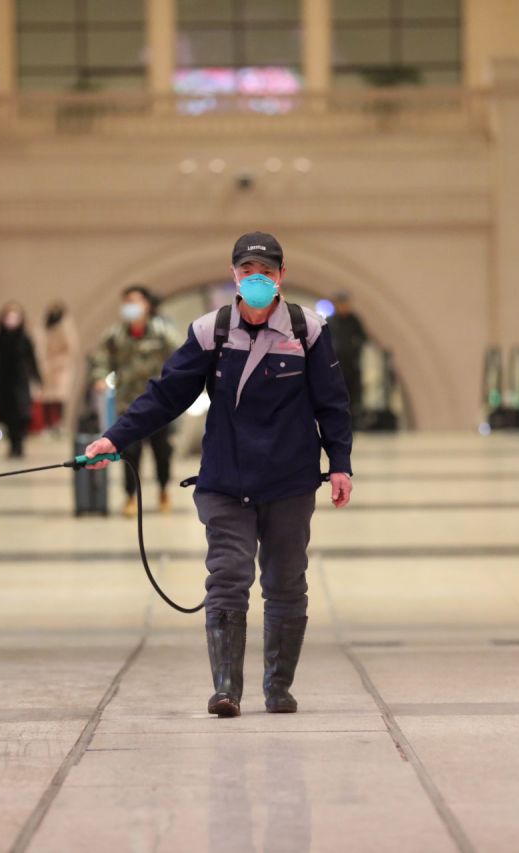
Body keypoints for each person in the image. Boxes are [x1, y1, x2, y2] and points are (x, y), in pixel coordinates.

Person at [85, 232, 354, 718]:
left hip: (290, 480)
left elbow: (332, 403)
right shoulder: (212, 331)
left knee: (286, 582)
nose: (257, 280)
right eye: (248, 272)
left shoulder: (307, 330)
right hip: (226, 480)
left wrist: (340, 464)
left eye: (266, 273)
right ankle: (226, 687)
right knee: (228, 577)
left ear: (281, 276)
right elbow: (167, 394)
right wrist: (115, 437)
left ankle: (278, 686)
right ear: (234, 275)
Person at [91, 285, 183, 517]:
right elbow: (100, 359)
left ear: (147, 305)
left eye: (135, 301)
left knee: (162, 452)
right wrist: (100, 377)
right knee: (129, 453)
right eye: (126, 302)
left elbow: (182, 358)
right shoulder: (115, 335)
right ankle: (130, 496)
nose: (130, 307)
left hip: (158, 406)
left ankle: (163, 490)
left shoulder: (162, 332)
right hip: (128, 405)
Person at [0, 302, 43, 459]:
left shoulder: (25, 339)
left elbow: (32, 360)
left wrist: (37, 379)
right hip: (3, 382)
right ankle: (12, 444)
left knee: (21, 414)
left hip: (20, 381)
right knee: (6, 415)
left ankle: (18, 444)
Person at [328, 292, 369, 426]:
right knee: (338, 393)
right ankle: (338, 422)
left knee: (353, 394)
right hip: (337, 365)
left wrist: (355, 346)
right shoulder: (331, 321)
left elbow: (363, 338)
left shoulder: (354, 320)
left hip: (352, 364)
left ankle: (354, 423)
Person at [40, 302, 79, 433]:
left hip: (61, 367)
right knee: (46, 397)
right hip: (47, 366)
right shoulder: (45, 325)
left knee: (60, 397)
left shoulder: (66, 325)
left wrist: (59, 362)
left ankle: (58, 424)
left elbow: (71, 347)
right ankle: (48, 425)